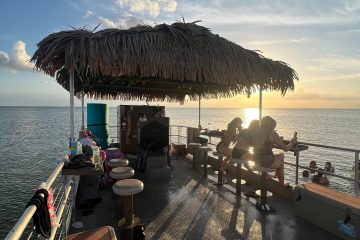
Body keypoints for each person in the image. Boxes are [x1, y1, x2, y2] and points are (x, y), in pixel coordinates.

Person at [252, 116, 297, 186]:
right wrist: (292, 142)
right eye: (273, 127)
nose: (274, 129)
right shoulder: (272, 133)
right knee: (281, 156)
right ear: (271, 126)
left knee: (277, 159)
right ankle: (281, 185)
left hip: (255, 160)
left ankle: (274, 176)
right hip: (266, 162)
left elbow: (261, 146)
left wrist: (273, 143)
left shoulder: (255, 131)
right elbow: (286, 149)